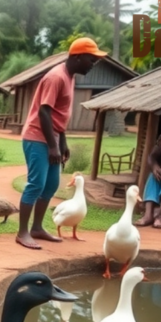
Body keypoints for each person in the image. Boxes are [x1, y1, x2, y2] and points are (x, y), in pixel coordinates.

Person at [16, 38, 107, 250]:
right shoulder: (56, 77)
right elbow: (44, 112)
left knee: (51, 184)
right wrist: (52, 146)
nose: (93, 65)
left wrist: (62, 142)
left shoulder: (69, 76)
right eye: (91, 60)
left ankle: (37, 228)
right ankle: (22, 232)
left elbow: (59, 114)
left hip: (52, 137)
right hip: (37, 137)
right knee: (36, 184)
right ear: (78, 57)